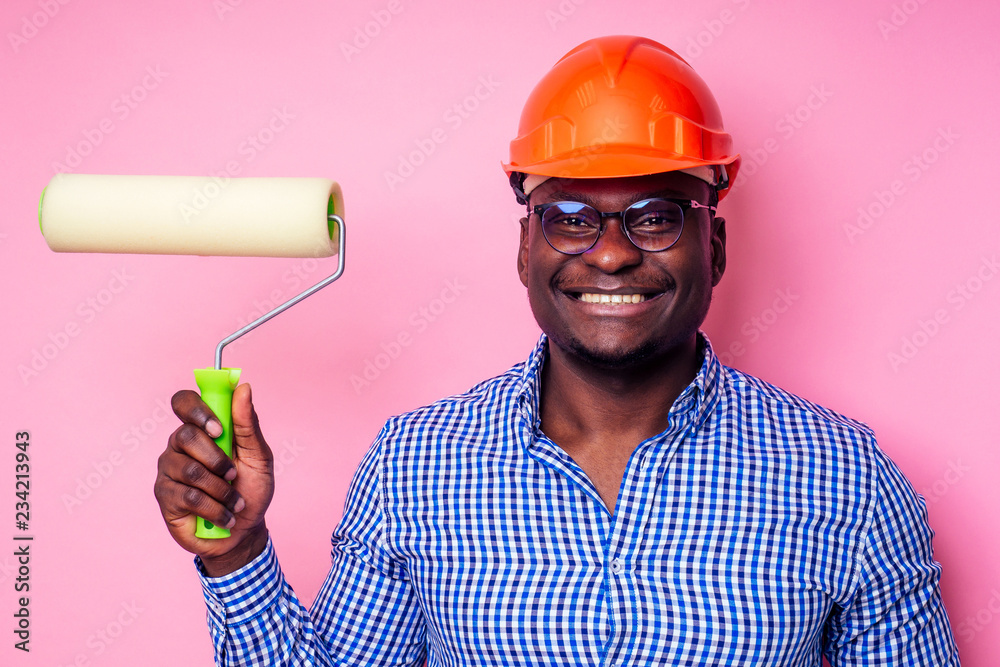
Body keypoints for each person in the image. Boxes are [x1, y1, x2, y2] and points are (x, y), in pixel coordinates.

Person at [154, 35, 959, 665]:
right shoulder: (414, 467)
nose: (610, 253)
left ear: (712, 247)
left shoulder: (847, 480)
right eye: (570, 214)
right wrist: (237, 553)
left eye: (655, 214)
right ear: (525, 251)